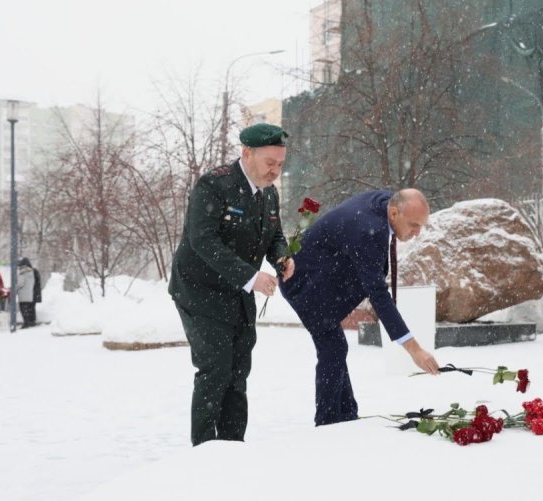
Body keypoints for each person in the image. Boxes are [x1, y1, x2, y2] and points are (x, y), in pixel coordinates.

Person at [169, 123, 295, 446]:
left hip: (236, 295)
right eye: (270, 163)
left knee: (238, 373)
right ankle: (204, 451)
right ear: (247, 153)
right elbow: (202, 240)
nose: (275, 171)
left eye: (280, 164)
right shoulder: (215, 186)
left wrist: (282, 257)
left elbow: (274, 235)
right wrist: (251, 278)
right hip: (199, 291)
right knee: (216, 369)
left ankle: (232, 448)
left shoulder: (269, 194)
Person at [280, 189, 440, 426]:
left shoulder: (386, 203)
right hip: (304, 284)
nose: (417, 233)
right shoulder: (368, 230)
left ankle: (345, 416)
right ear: (394, 213)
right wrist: (414, 348)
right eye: (414, 225)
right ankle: (328, 423)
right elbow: (378, 294)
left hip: (322, 273)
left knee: (335, 348)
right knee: (332, 349)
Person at [16, 257, 37, 328]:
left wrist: (14, 288)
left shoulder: (22, 273)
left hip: (23, 295)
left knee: (23, 310)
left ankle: (26, 323)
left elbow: (20, 284)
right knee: (27, 310)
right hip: (29, 294)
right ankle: (28, 322)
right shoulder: (31, 272)